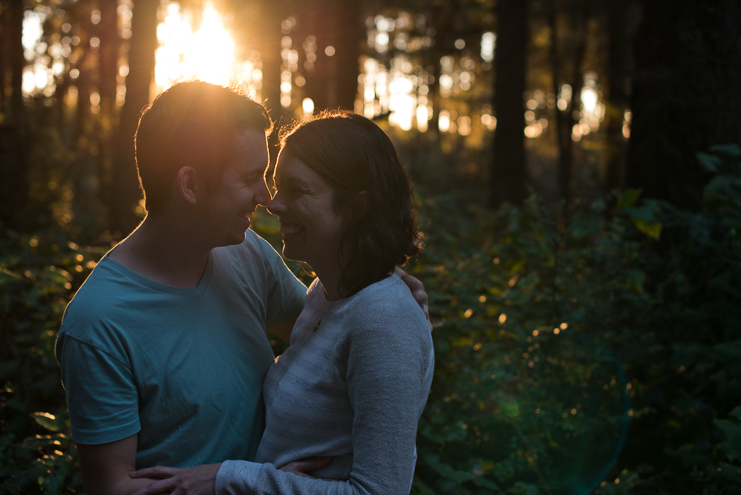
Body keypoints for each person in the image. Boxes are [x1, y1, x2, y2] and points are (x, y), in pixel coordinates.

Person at [55, 82, 429, 495]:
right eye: (252, 178)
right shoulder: (99, 322)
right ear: (191, 185)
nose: (266, 197)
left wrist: (386, 288)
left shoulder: (247, 254)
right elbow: (111, 490)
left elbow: (334, 334)